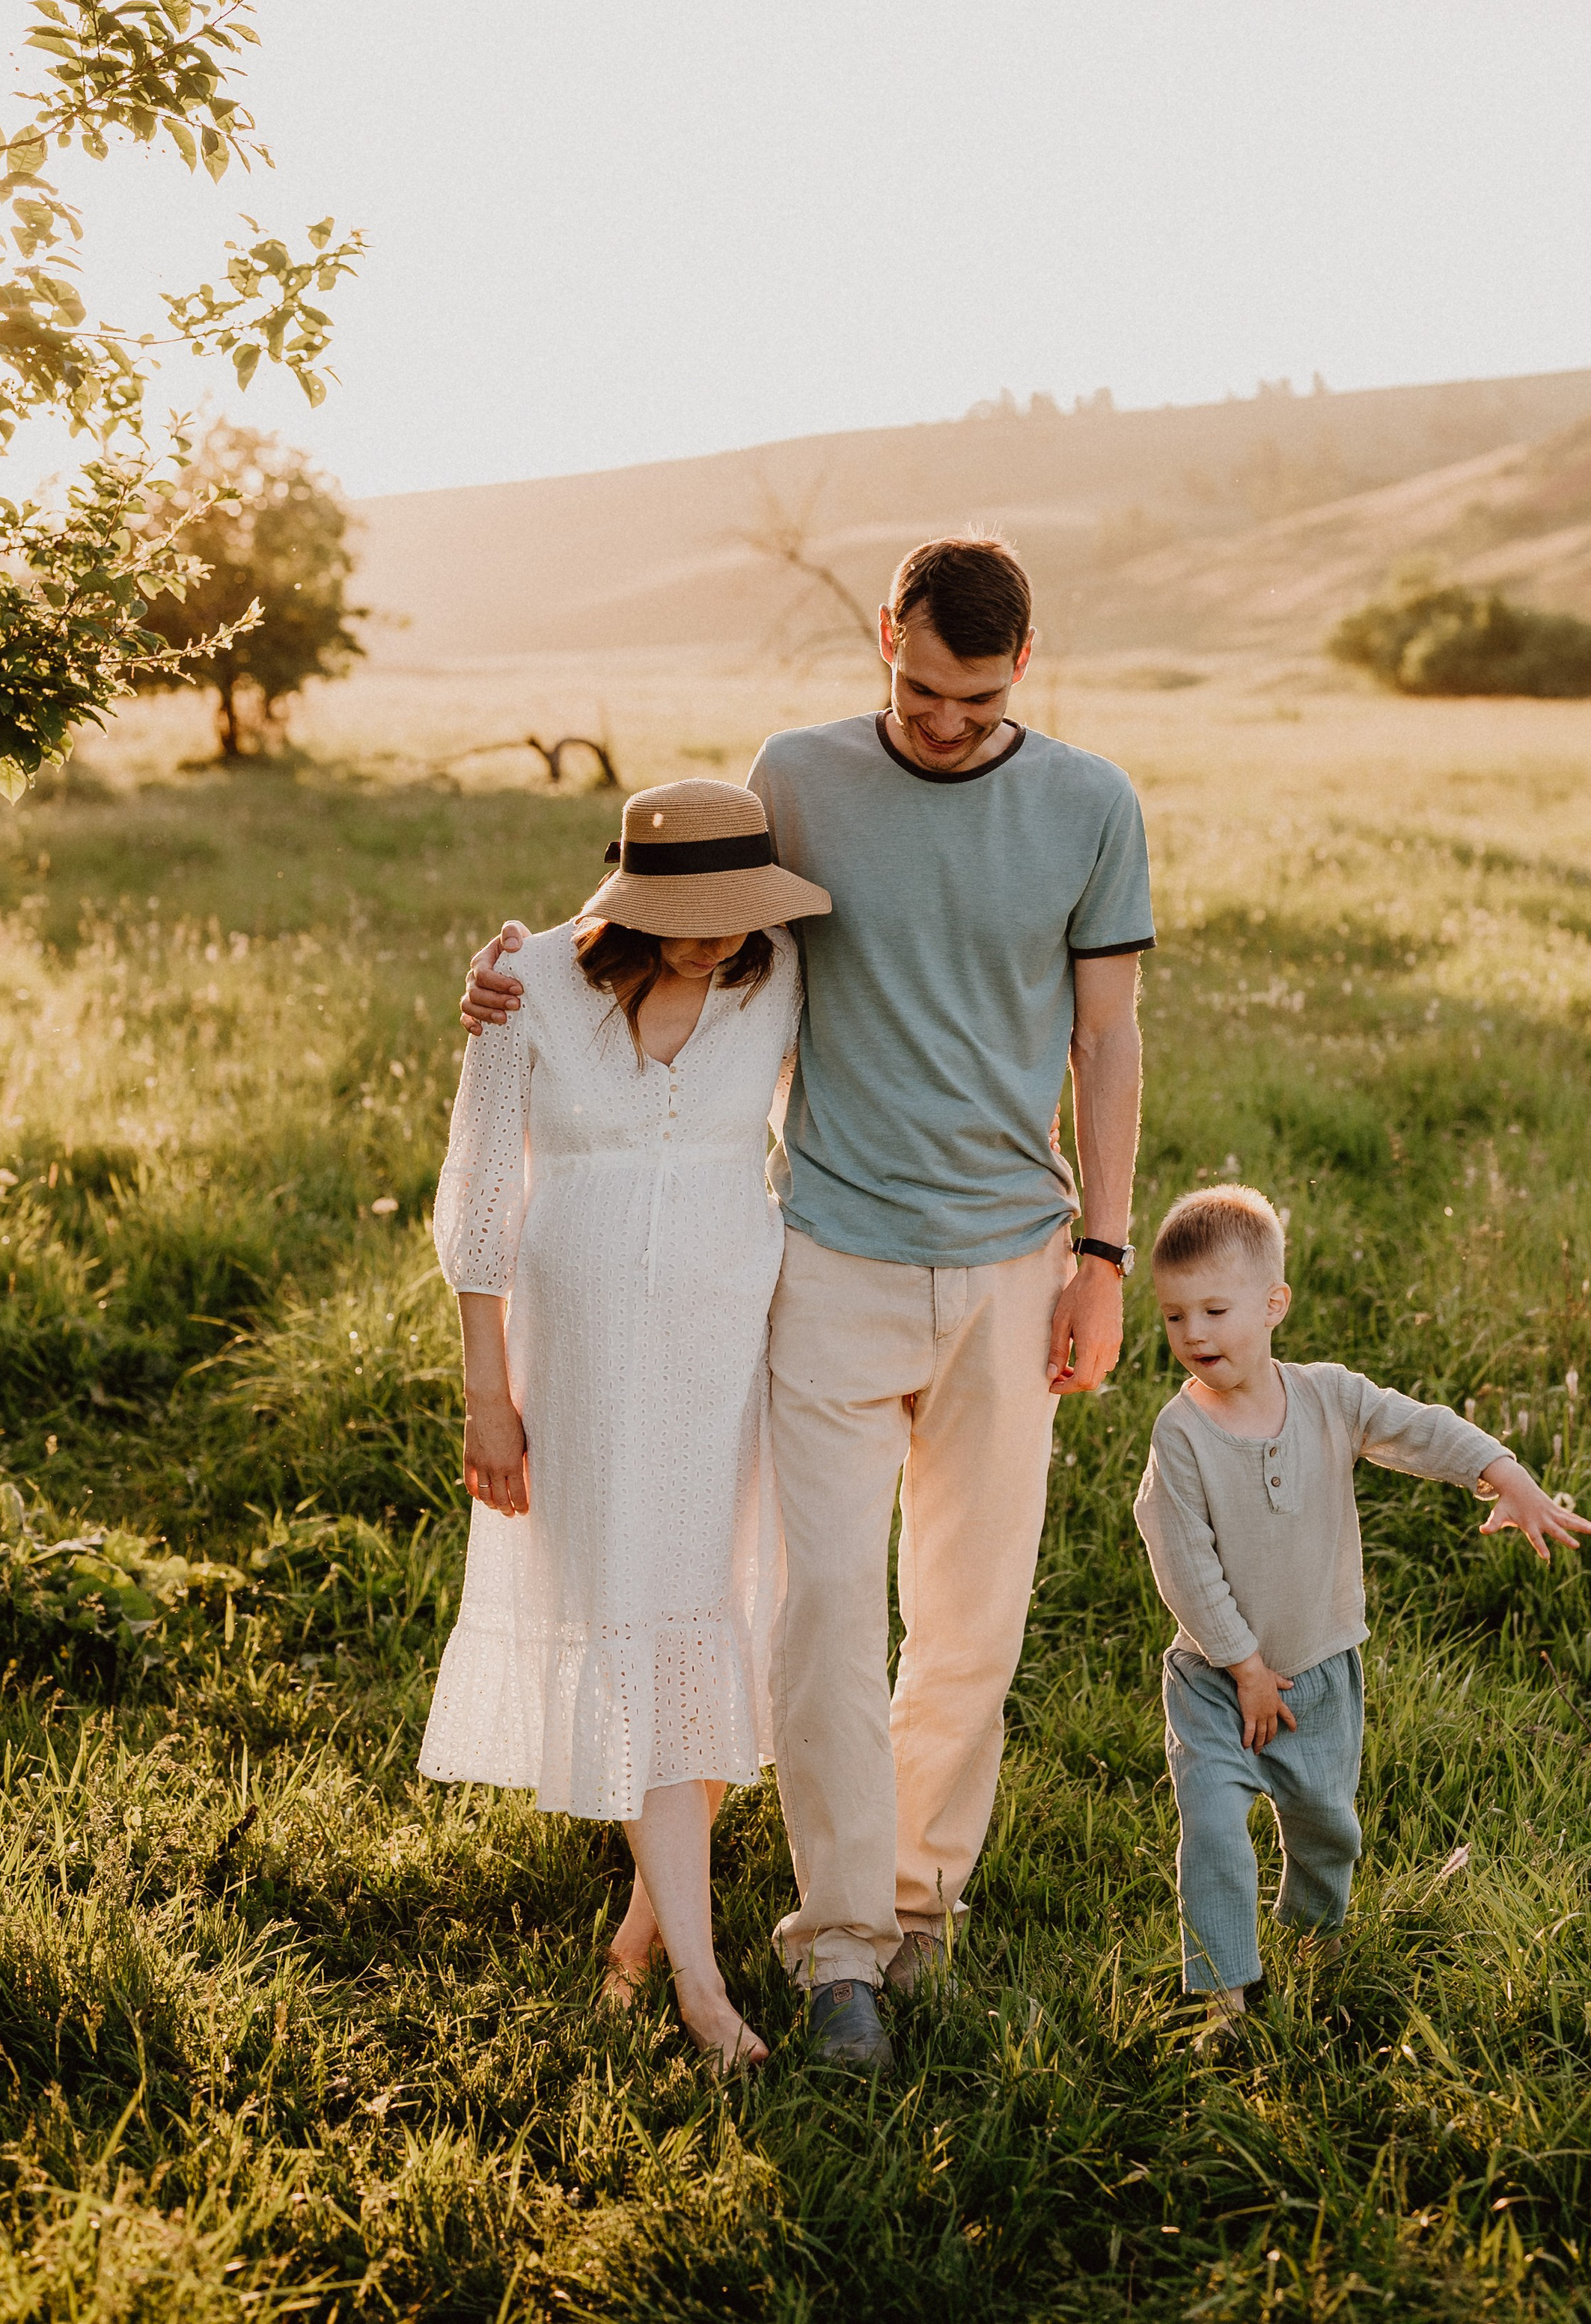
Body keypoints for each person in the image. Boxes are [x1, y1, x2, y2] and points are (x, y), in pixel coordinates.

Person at [464, 536, 1152, 2071]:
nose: (938, 720)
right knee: (826, 1608)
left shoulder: (1090, 806)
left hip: (1010, 1257)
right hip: (828, 1250)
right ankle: (837, 1945)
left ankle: (920, 1911)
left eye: (970, 698)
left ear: (1020, 670)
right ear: (882, 648)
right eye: (914, 687)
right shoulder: (802, 772)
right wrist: (515, 974)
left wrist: (1100, 1258)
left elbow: (1105, 1045)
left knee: (968, 1624)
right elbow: (662, 893)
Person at [426, 777, 831, 2071]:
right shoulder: (527, 980)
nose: (718, 941)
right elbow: (482, 1199)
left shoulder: (784, 979)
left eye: (736, 915)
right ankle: (708, 1999)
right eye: (691, 919)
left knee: (713, 1615)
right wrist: (492, 1391)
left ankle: (646, 1943)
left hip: (730, 1342)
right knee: (640, 1612)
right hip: (585, 1358)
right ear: (630, 901)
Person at [1133, 1182, 1591, 2044]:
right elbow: (1183, 1564)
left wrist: (1503, 1473)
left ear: (1273, 1305)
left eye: (1213, 1309)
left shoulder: (1328, 1397)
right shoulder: (1180, 1435)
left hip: (1317, 1672)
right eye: (1172, 1317)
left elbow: (1417, 1428)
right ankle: (1228, 1998)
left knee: (1325, 1830)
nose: (1192, 1333)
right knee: (1213, 1827)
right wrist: (1239, 1664)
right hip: (1216, 1681)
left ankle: (1315, 1940)